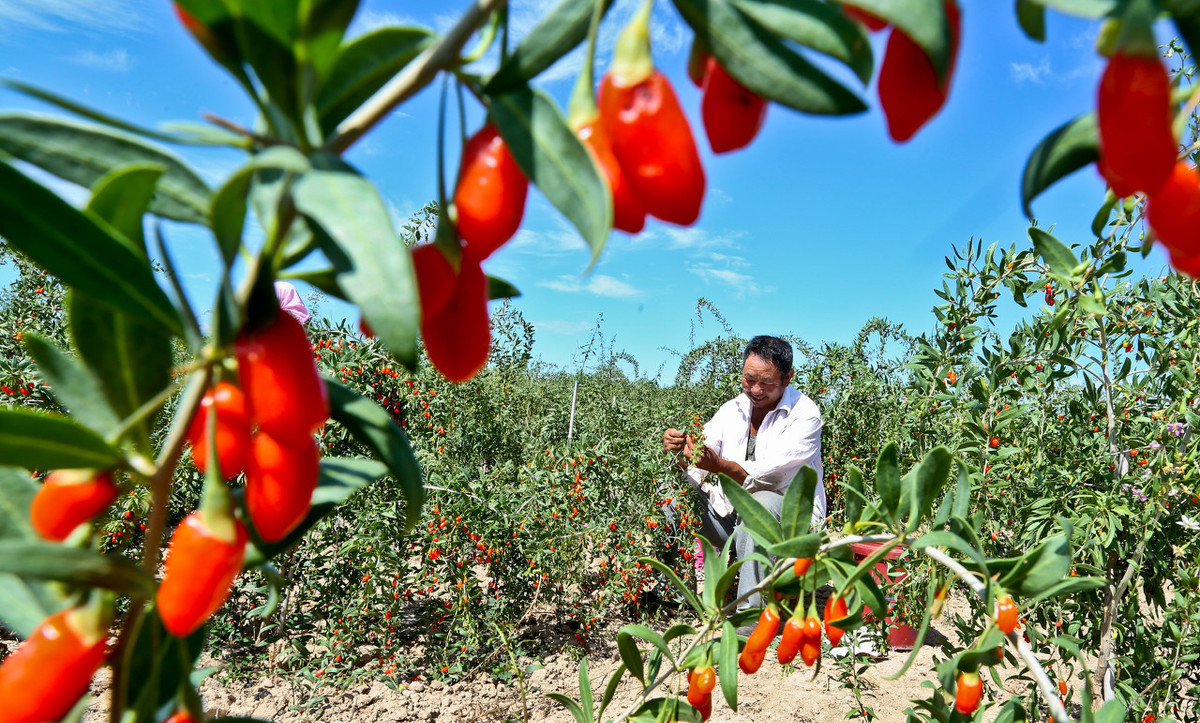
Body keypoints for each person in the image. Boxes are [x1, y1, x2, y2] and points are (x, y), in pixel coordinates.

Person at [663, 335, 825, 611]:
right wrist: (680, 453)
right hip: (732, 518)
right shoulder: (732, 410)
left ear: (787, 379)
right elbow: (702, 455)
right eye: (749, 379)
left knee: (760, 504)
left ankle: (749, 616)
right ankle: (674, 596)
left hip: (789, 526)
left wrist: (718, 465)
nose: (756, 389)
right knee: (670, 496)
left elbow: (769, 478)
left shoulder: (805, 416)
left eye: (767, 382)